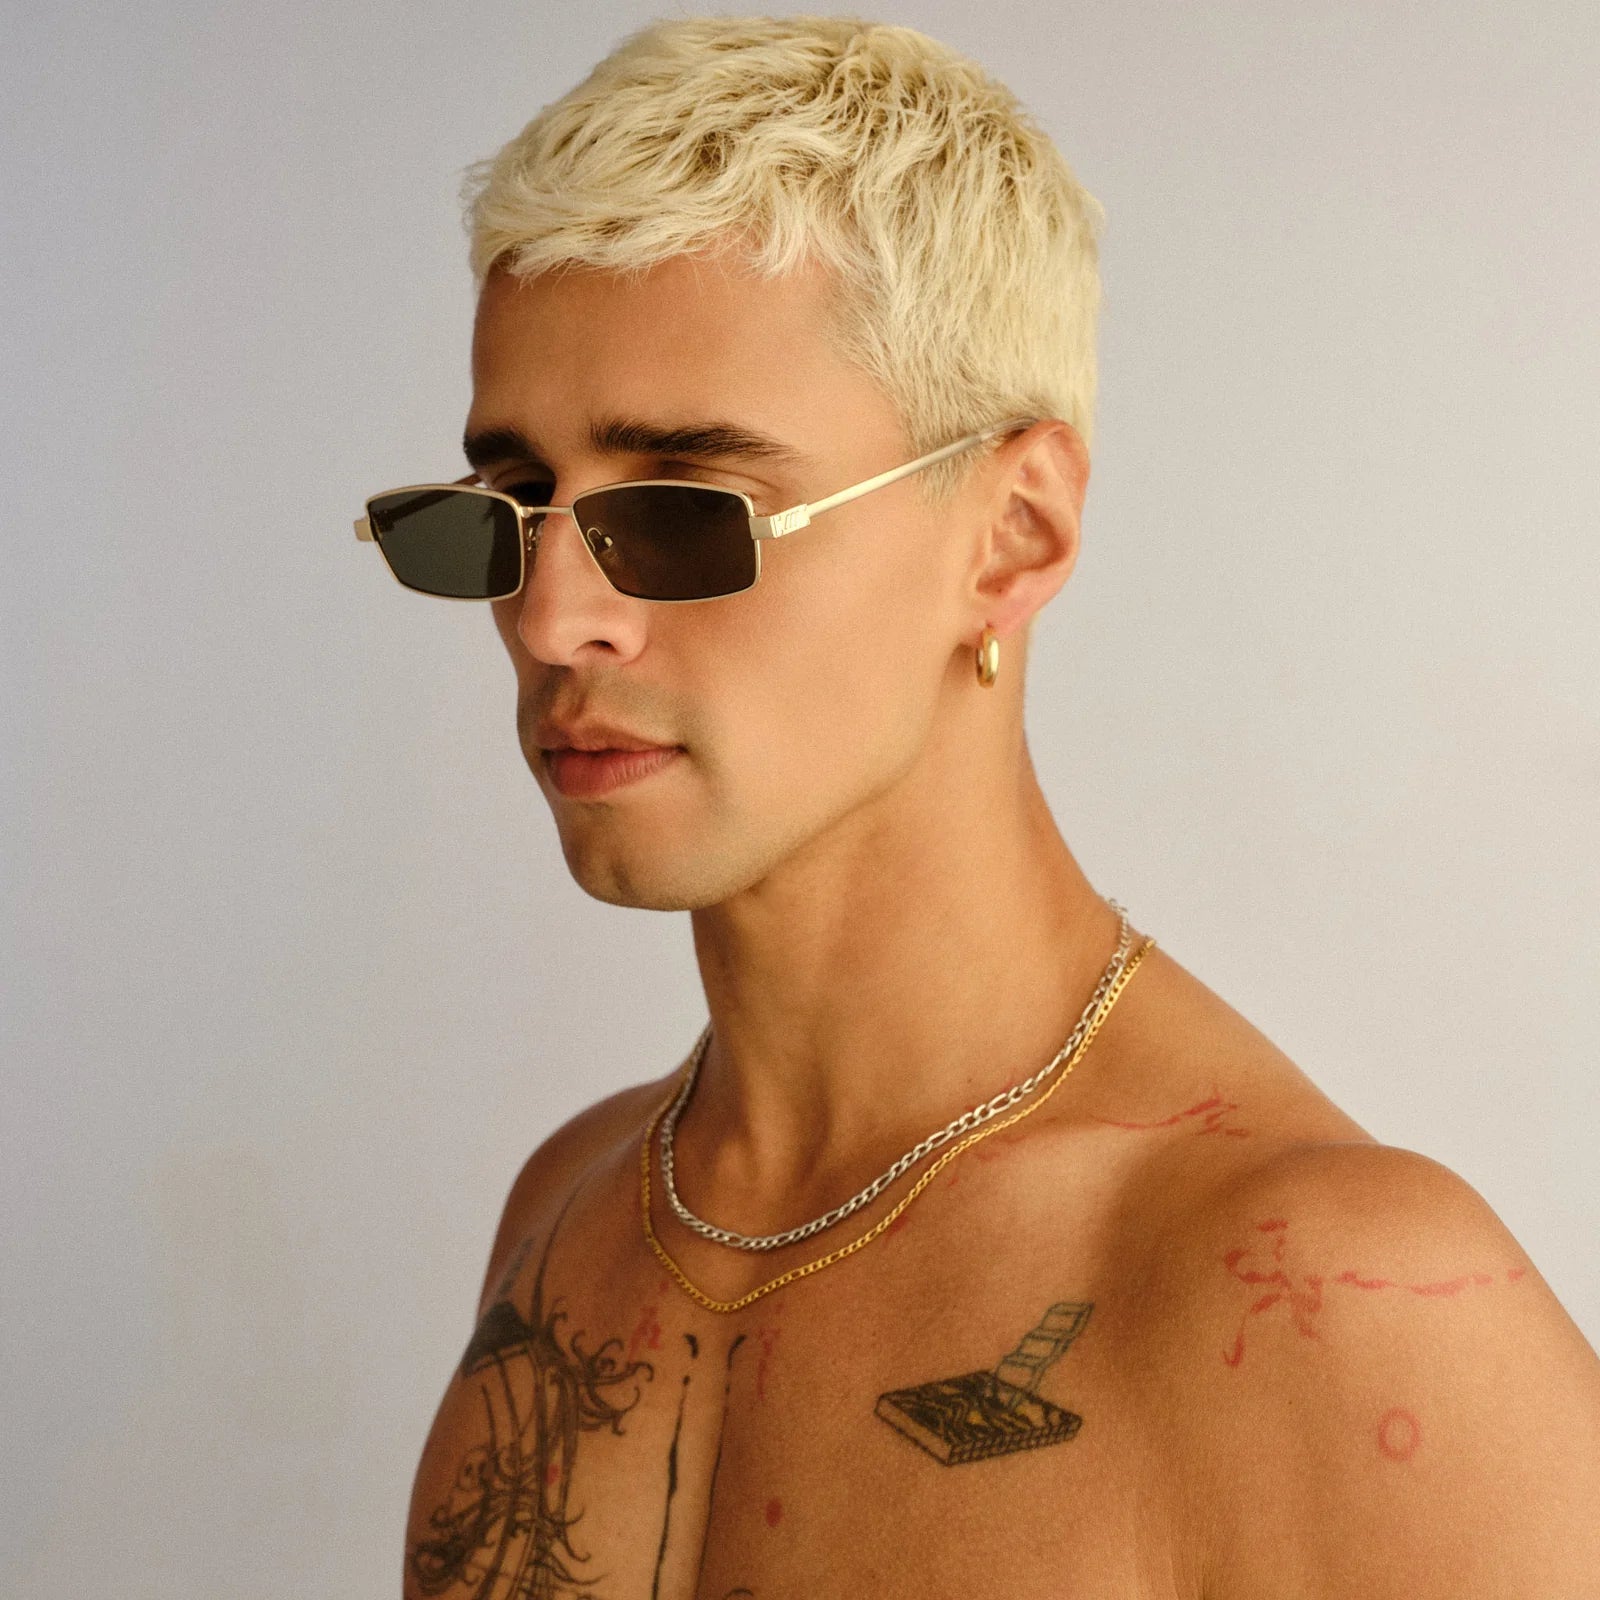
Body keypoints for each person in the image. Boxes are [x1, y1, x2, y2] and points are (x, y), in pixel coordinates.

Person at [358, 17, 1600, 1596]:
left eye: (682, 512)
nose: (552, 621)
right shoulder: (574, 1212)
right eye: (511, 507)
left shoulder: (1336, 1303)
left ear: (1013, 534)